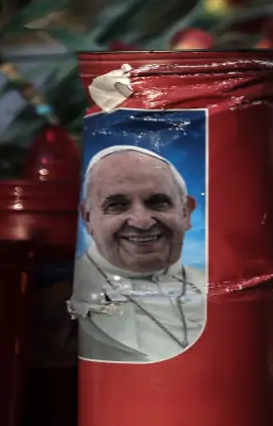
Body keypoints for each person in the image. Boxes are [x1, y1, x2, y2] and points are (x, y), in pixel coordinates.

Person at [70, 145, 206, 363]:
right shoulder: (63, 295)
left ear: (186, 212)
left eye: (158, 202)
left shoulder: (214, 286)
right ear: (88, 218)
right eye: (117, 205)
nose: (142, 222)